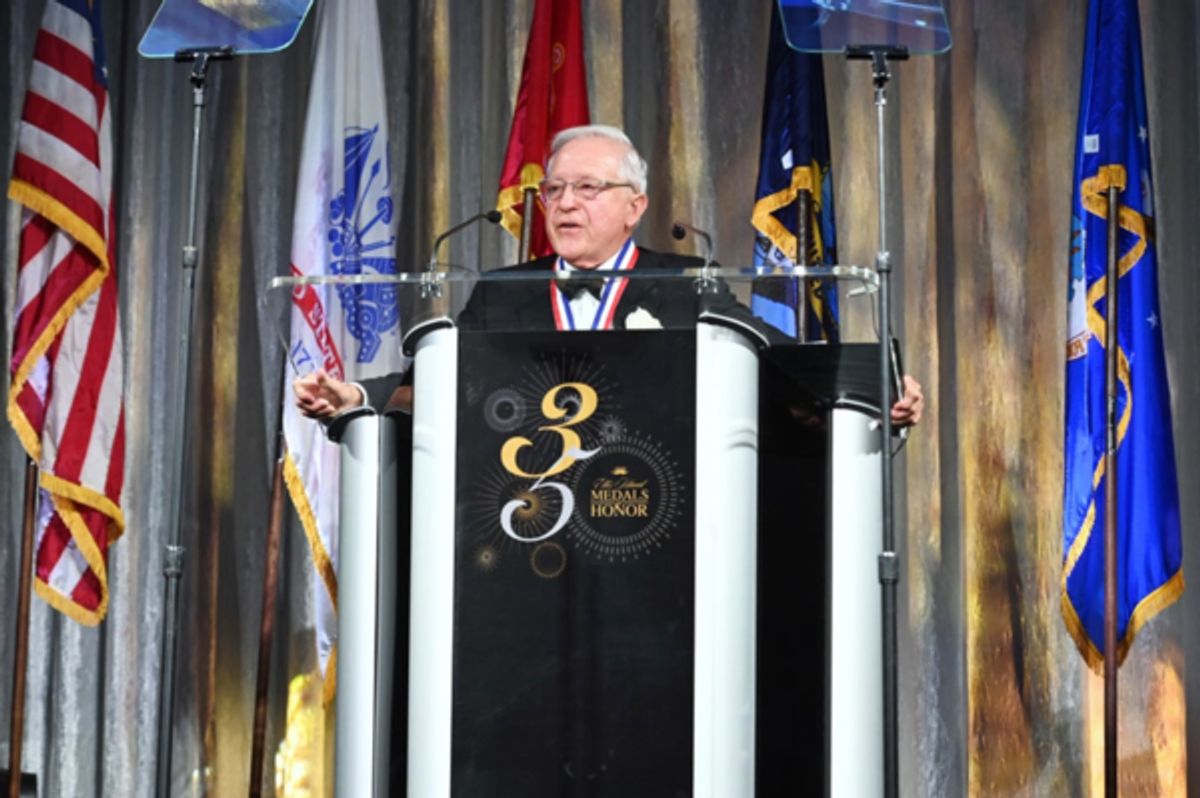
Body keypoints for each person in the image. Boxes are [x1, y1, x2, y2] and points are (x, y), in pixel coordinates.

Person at [294, 124, 924, 425]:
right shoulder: (502, 292)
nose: (566, 203)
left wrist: (874, 393)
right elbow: (436, 382)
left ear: (635, 206)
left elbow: (777, 363)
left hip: (664, 510)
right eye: (556, 190)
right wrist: (355, 396)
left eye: (589, 187)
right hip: (521, 507)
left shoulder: (689, 282)